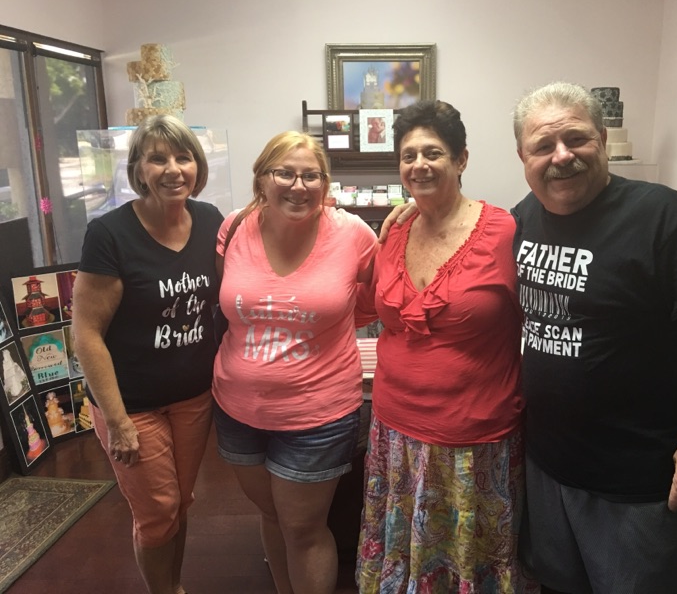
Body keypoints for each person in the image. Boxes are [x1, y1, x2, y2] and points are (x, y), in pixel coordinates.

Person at [512, 82, 677, 593]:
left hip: (638, 482)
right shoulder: (523, 217)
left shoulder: (661, 214)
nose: (561, 156)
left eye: (576, 138)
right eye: (543, 146)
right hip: (547, 467)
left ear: (602, 140)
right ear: (523, 157)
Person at [356, 100, 536, 593]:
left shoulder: (506, 231)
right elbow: (363, 306)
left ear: (461, 159)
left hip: (475, 442)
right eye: (408, 155)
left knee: (470, 563)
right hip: (395, 433)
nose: (419, 164)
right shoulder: (394, 230)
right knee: (404, 555)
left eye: (433, 152)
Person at [212, 131, 377, 594]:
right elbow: (229, 301)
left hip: (317, 415)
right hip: (237, 408)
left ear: (326, 183)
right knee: (271, 514)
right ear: (262, 179)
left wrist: (331, 318)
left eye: (311, 176)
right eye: (284, 173)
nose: (298, 186)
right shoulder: (234, 227)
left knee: (303, 529)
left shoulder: (353, 234)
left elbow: (377, 297)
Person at [71, 114, 223, 594]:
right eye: (158, 159)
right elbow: (87, 334)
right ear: (138, 169)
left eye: (183, 157)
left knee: (180, 502)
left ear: (197, 166)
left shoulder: (211, 221)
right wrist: (117, 421)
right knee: (157, 511)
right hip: (132, 405)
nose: (173, 169)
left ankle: (172, 586)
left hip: (193, 396)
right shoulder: (110, 234)